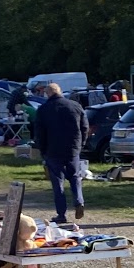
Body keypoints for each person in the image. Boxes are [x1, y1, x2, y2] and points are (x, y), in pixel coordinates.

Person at [32, 80, 89, 224]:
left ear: (47, 94)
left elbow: (40, 133)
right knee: (75, 177)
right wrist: (81, 144)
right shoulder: (76, 106)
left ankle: (61, 214)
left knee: (58, 182)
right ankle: (79, 201)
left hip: (53, 150)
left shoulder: (44, 109)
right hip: (72, 149)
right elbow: (85, 128)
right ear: (60, 91)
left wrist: (42, 150)